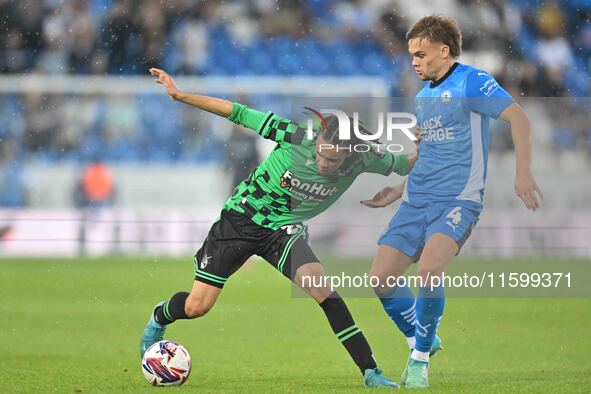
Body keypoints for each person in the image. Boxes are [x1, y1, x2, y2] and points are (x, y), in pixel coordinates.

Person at [140, 67, 417, 388]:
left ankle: (370, 372)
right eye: (322, 155)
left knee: (324, 291)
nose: (325, 163)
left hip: (282, 230)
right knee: (197, 306)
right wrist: (180, 95)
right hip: (238, 222)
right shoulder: (295, 135)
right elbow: (238, 113)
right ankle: (159, 318)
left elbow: (402, 163)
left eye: (333, 160)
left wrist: (428, 148)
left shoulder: (364, 157)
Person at [362, 15, 543, 389]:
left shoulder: (472, 81)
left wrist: (522, 171)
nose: (413, 61)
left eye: (421, 54)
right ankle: (422, 337)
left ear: (444, 52)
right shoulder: (423, 96)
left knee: (429, 271)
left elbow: (519, 119)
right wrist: (398, 189)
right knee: (380, 279)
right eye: (411, 54)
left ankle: (419, 359)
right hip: (417, 198)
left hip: (458, 199)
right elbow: (430, 152)